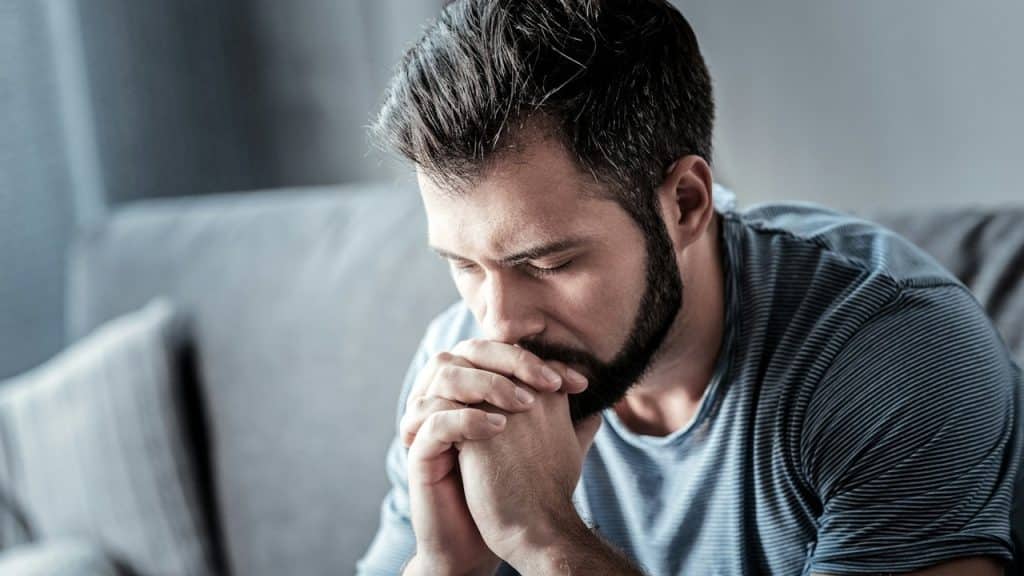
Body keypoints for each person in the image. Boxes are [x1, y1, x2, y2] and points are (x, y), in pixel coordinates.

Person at [356, 1, 1023, 574]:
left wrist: (548, 543)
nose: (496, 325)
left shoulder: (893, 355)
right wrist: (445, 564)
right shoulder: (461, 378)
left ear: (685, 202)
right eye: (466, 266)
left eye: (549, 263)